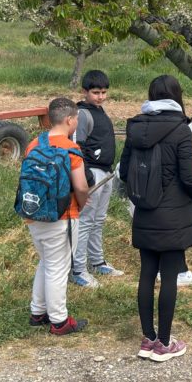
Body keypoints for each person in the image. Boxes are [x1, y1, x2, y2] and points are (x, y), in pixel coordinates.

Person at [118, 75, 192, 361]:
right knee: (168, 278)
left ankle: (148, 339)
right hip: (174, 213)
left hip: (144, 210)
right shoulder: (181, 131)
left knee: (145, 274)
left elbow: (124, 169)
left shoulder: (135, 128)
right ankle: (164, 343)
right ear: (177, 96)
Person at [24, 97, 89, 335]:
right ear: (70, 119)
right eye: (76, 120)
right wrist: (81, 206)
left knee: (46, 262)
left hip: (34, 214)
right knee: (58, 268)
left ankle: (37, 311)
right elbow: (81, 187)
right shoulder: (70, 149)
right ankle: (60, 321)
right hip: (62, 216)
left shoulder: (34, 144)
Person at [71, 70, 122, 288]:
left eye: (103, 92)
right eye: (95, 92)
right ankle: (78, 269)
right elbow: (76, 145)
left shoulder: (100, 111)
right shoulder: (82, 114)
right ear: (84, 92)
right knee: (85, 221)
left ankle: (97, 261)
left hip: (106, 172)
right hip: (92, 174)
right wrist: (86, 174)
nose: (100, 96)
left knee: (98, 220)